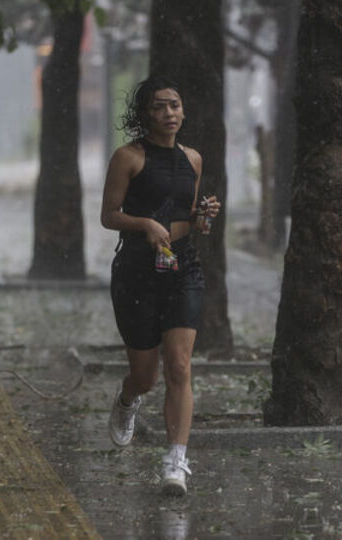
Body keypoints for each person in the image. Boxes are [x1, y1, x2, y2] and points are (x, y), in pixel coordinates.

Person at [100, 76, 220, 496]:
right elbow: (109, 215)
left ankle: (175, 462)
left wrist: (203, 218)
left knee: (180, 365)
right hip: (136, 272)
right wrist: (146, 224)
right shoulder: (128, 157)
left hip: (182, 268)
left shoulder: (193, 159)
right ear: (146, 114)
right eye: (159, 106)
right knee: (145, 376)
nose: (169, 113)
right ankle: (127, 400)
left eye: (175, 105)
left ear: (183, 111)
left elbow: (186, 215)